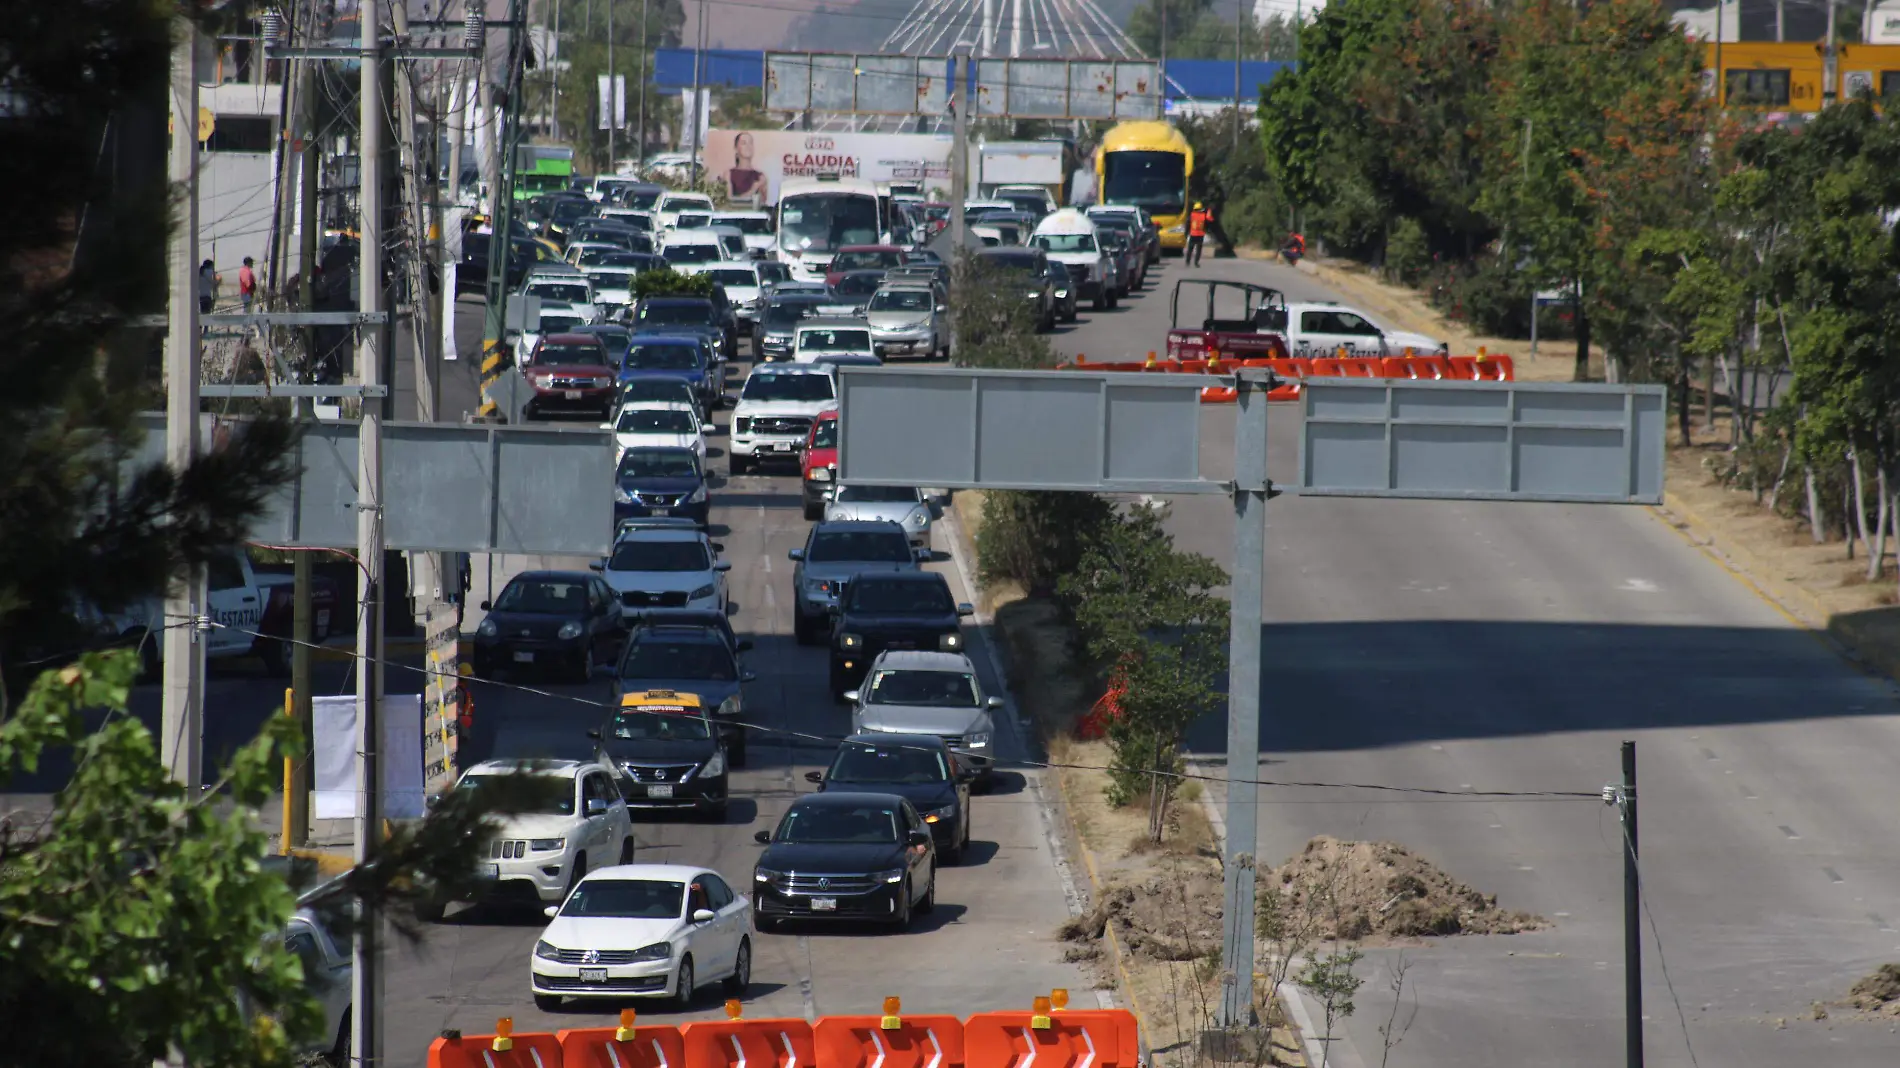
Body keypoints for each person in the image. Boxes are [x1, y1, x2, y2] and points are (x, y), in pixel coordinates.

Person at [726, 131, 764, 199]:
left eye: (750, 143)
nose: (748, 146)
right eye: (744, 143)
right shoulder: (729, 174)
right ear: (736, 148)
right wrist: (752, 190)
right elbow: (729, 201)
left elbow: (763, 203)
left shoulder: (760, 176)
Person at [1186, 202, 1213, 267]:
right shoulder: (1203, 215)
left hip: (1193, 234)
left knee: (1190, 249)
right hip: (1200, 235)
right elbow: (1207, 224)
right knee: (1198, 250)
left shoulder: (1191, 215)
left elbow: (1188, 224)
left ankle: (1188, 261)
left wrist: (1186, 233)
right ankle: (1196, 262)